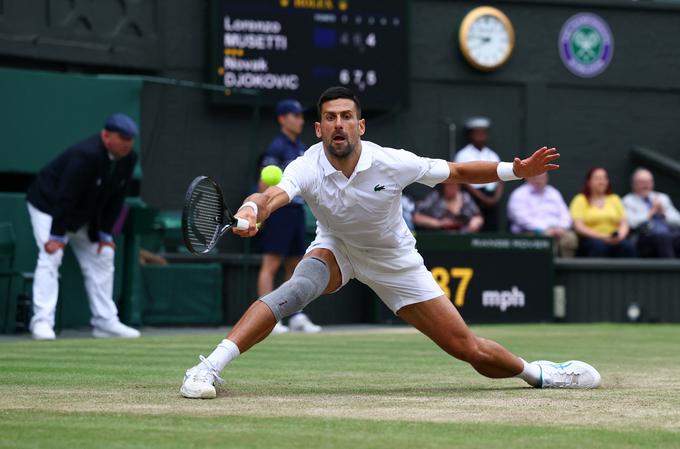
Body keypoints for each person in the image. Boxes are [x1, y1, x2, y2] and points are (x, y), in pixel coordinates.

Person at [180, 87, 601, 399]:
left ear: (360, 126)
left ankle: (539, 372)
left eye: (347, 117)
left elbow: (456, 172)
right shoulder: (305, 164)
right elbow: (270, 196)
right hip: (337, 248)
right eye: (330, 118)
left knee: (466, 349)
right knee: (294, 290)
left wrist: (515, 169)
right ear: (319, 127)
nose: (339, 124)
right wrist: (253, 212)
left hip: (394, 259)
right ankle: (208, 368)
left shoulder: (392, 161)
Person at [25, 113, 141, 340]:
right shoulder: (85, 155)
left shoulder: (129, 158)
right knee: (52, 255)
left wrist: (105, 233)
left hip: (84, 213)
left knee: (104, 253)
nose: (127, 143)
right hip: (49, 206)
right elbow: (65, 197)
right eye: (122, 137)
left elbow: (117, 198)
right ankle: (41, 322)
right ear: (106, 135)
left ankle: (104, 322)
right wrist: (57, 235)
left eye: (130, 139)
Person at [257, 99, 321, 334]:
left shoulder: (300, 147)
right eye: (294, 115)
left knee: (295, 266)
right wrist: (261, 211)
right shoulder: (277, 147)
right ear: (282, 118)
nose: (300, 119)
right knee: (271, 264)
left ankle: (295, 315)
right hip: (278, 211)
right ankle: (266, 318)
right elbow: (264, 183)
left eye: (301, 115)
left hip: (296, 212)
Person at [569, 167, 636, 258]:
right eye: (597, 179)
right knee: (598, 246)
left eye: (604, 178)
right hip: (591, 240)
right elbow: (579, 226)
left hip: (614, 239)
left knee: (628, 247)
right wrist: (603, 237)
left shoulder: (614, 199)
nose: (602, 182)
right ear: (589, 182)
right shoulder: (580, 199)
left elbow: (624, 222)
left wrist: (620, 236)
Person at [507, 173, 577, 257]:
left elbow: (565, 214)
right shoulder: (519, 194)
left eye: (542, 178)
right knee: (547, 239)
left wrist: (561, 227)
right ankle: (546, 269)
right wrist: (545, 229)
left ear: (547, 178)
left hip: (557, 230)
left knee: (570, 238)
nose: (539, 180)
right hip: (530, 232)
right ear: (528, 178)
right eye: (536, 177)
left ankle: (566, 268)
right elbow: (521, 219)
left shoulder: (553, 193)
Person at [454, 117, 503, 232]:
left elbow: (501, 178)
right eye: (477, 133)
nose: (481, 136)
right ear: (470, 135)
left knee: (492, 231)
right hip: (472, 198)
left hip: (492, 198)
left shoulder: (492, 155)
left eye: (483, 133)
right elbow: (462, 180)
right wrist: (482, 198)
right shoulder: (463, 155)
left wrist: (495, 198)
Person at [623, 168, 680, 258]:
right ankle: (671, 270)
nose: (646, 185)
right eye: (642, 182)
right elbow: (632, 223)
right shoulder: (628, 200)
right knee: (663, 237)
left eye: (648, 182)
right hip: (645, 236)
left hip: (669, 233)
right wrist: (651, 212)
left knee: (668, 236)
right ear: (634, 184)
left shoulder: (662, 197)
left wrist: (663, 213)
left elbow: (678, 219)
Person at [413, 183, 483, 233]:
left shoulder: (465, 197)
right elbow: (416, 217)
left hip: (464, 237)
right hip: (439, 237)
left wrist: (474, 223)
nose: (452, 188)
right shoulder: (435, 197)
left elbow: (478, 217)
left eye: (455, 185)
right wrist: (439, 223)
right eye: (449, 185)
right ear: (444, 186)